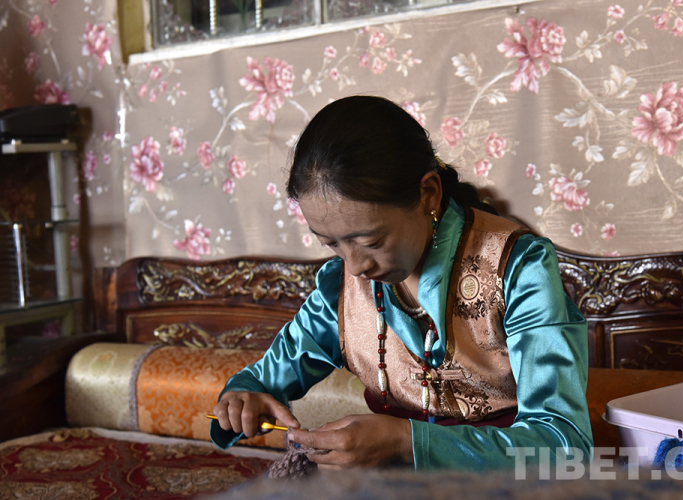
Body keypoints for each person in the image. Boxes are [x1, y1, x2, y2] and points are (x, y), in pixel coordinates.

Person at [210, 95, 593, 470]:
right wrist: (244, 397)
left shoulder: (517, 267)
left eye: (370, 241)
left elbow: (564, 445)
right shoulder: (339, 291)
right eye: (331, 244)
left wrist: (403, 442)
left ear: (428, 194)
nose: (355, 266)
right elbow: (261, 380)